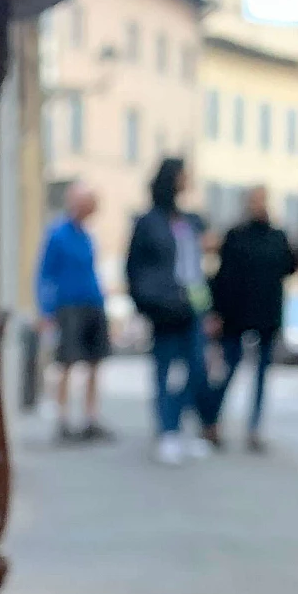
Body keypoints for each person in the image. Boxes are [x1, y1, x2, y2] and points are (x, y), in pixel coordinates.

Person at [126, 158, 221, 465]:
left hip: (194, 304)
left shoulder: (190, 220)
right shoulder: (149, 222)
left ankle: (179, 427)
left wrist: (209, 308)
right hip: (165, 307)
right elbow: (135, 267)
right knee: (166, 371)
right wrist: (144, 302)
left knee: (197, 370)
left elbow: (197, 266)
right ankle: (167, 431)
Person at [208, 186, 296, 453]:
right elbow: (223, 277)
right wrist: (218, 313)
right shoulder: (236, 236)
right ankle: (212, 421)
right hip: (237, 315)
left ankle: (254, 428)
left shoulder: (277, 236)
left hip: (266, 315)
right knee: (229, 368)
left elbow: (289, 265)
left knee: (261, 375)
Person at [35, 182, 114, 442]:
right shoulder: (58, 234)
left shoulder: (87, 236)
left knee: (94, 362)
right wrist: (45, 309)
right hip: (69, 305)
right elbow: (45, 273)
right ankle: (63, 419)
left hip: (92, 302)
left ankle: (91, 417)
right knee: (67, 362)